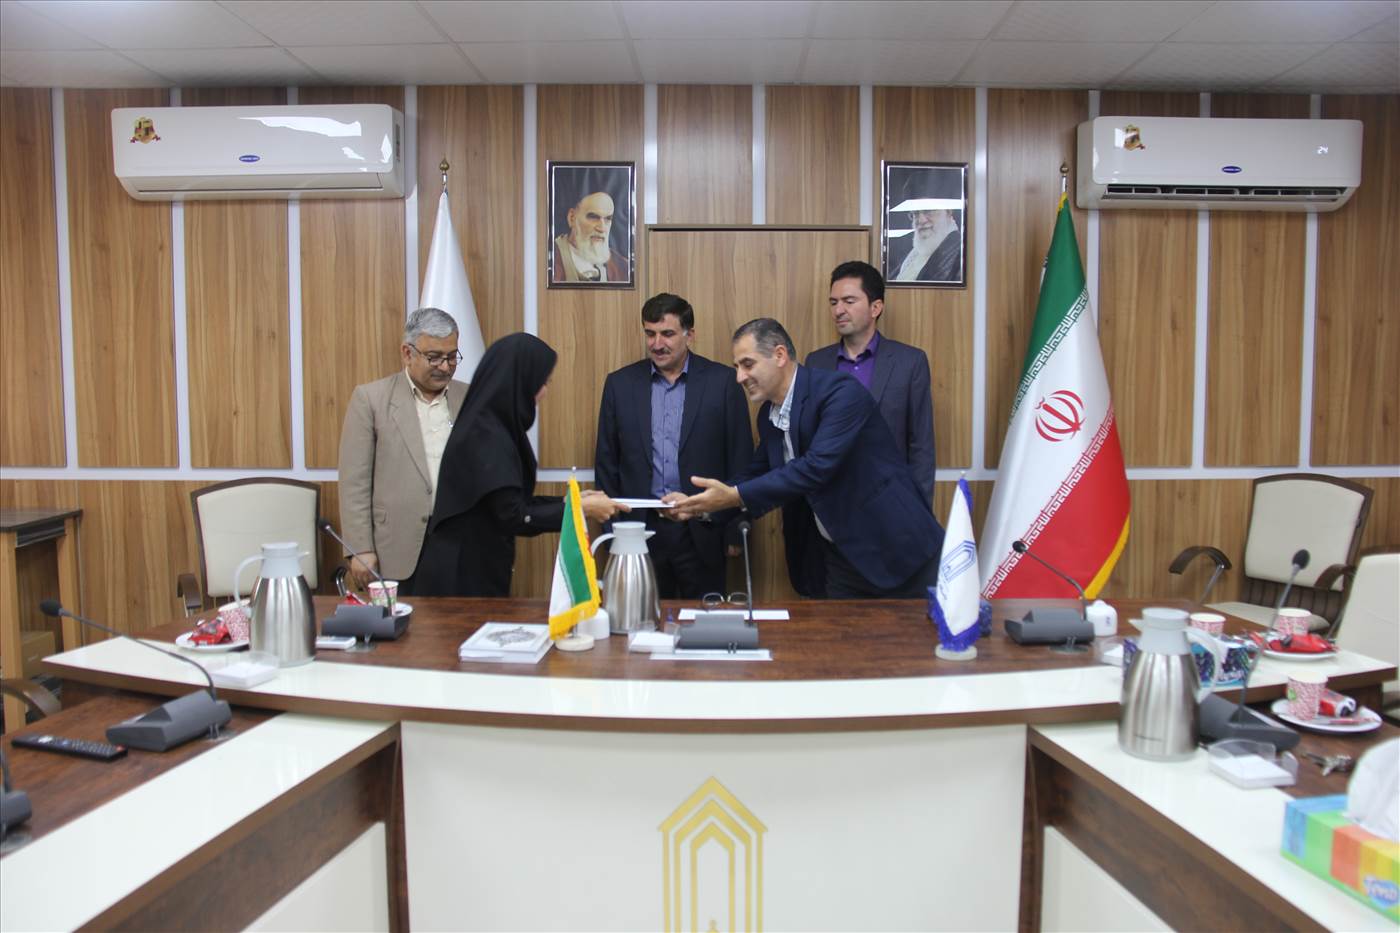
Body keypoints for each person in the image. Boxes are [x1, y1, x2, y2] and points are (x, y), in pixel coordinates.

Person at [675, 318, 945, 599]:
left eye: (748, 364)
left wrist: (733, 496)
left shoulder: (840, 392)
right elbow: (757, 472)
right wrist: (698, 505)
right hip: (841, 558)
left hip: (897, 549)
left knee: (915, 630)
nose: (740, 377)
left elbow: (815, 468)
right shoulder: (768, 415)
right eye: (737, 367)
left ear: (780, 355)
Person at [412, 333, 626, 596]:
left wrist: (571, 502)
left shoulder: (493, 426)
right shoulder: (485, 435)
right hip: (459, 581)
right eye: (541, 382)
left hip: (475, 570)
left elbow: (511, 502)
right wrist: (578, 510)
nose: (544, 392)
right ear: (520, 382)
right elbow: (513, 516)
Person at [594, 293, 753, 598]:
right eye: (650, 334)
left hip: (703, 531)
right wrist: (611, 533)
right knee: (642, 620)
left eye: (667, 333)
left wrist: (735, 527)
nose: (657, 344)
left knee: (704, 619)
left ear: (689, 335)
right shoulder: (620, 384)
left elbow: (740, 459)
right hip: (638, 533)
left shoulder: (723, 382)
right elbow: (607, 463)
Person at [337, 307, 467, 595]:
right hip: (396, 547)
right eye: (434, 357)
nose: (445, 367)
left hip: (459, 545)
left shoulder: (469, 397)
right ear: (407, 353)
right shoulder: (371, 399)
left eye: (452, 357)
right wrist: (360, 548)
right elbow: (354, 482)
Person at [806, 261, 936, 502]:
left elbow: (921, 445)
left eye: (849, 301)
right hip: (831, 503)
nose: (838, 310)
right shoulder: (816, 363)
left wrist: (919, 510)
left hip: (890, 501)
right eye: (833, 302)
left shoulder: (910, 362)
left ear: (875, 307)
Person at [886, 171, 963, 284]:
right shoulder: (911, 254)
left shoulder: (960, 255)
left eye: (928, 211)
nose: (921, 220)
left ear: (949, 212)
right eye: (916, 213)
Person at [552, 190, 628, 283]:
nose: (602, 228)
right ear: (572, 218)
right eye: (593, 217)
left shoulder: (622, 267)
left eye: (608, 219)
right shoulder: (550, 261)